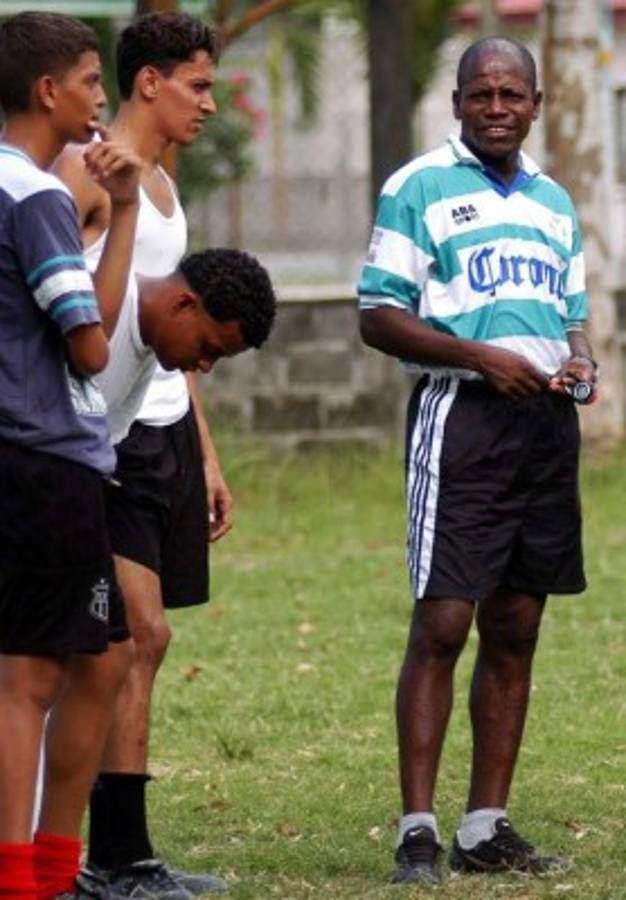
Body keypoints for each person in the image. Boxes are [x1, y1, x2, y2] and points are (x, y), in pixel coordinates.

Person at [358, 36, 596, 886]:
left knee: (518, 623)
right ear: (457, 102)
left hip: (544, 430)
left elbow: (571, 312)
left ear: (536, 104)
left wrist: (581, 359)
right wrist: (477, 357)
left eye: (512, 95)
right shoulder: (417, 186)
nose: (497, 107)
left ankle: (484, 826)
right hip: (460, 418)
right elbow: (377, 315)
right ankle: (417, 829)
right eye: (481, 94)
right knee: (445, 621)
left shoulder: (555, 201)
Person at [54, 12, 238, 897]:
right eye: (198, 85)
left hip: (157, 426)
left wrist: (202, 447)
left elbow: (177, 326)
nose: (210, 102)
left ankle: (124, 854)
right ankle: (102, 854)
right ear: (148, 82)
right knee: (126, 639)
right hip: (99, 436)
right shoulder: (87, 174)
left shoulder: (164, 183)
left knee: (145, 645)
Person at [0, 12, 141, 900]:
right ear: (49, 91)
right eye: (93, 79)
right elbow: (90, 346)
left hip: (27, 457)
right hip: (42, 457)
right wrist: (123, 211)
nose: (102, 96)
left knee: (102, 657)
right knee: (30, 676)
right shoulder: (37, 196)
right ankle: (27, 880)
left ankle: (47, 868)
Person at [97, 248, 276, 448]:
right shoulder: (95, 310)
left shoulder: (149, 344)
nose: (206, 366)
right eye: (208, 348)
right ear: (184, 304)